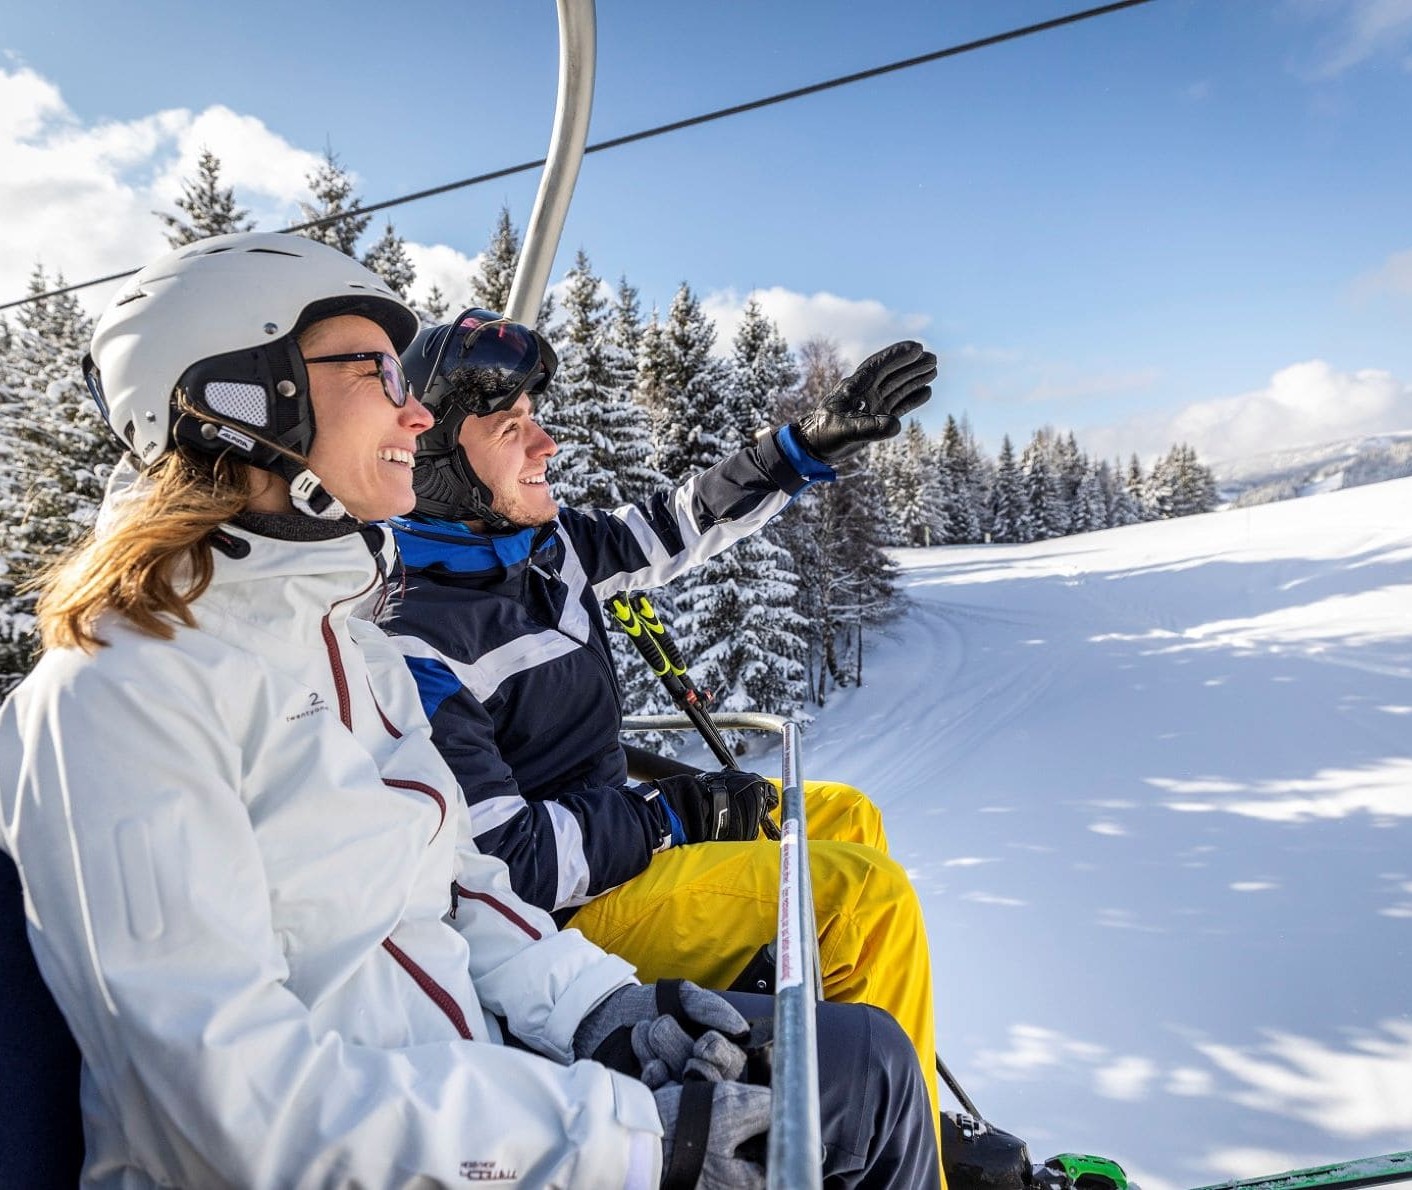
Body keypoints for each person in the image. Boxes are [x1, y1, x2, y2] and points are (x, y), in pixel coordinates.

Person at [0, 232, 939, 1188]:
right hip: (425, 1145)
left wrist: (602, 1017)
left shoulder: (347, 645)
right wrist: (627, 1140)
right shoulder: (125, 698)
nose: (407, 411)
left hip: (481, 1077)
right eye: (374, 372)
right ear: (246, 400)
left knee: (864, 1066)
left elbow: (462, 886)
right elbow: (236, 1116)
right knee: (855, 1008)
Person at [377, 309, 947, 1155]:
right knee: (863, 895)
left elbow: (674, 524)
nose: (546, 445)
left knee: (844, 815)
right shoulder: (417, 637)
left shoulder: (545, 547)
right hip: (565, 919)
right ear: (441, 465)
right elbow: (511, 867)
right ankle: (888, 1147)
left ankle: (864, 1088)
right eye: (511, 428)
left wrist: (800, 449)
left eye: (535, 418)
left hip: (620, 844)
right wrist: (672, 817)